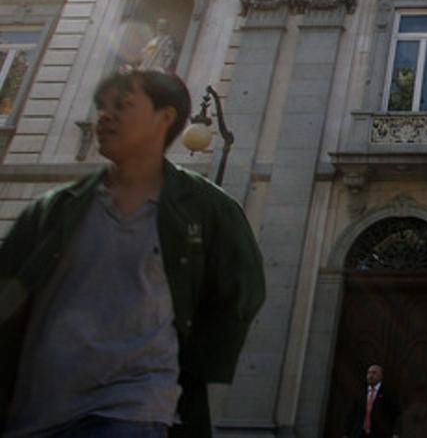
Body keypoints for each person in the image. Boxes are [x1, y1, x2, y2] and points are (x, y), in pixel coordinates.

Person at [0, 68, 265, 437]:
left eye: (123, 105)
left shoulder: (207, 209)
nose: (104, 115)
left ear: (165, 117)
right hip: (37, 411)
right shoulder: (55, 207)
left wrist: (186, 366)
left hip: (131, 411)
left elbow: (242, 289)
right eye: (101, 106)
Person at [343, 364, 400, 438]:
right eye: (369, 373)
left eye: (374, 373)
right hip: (360, 434)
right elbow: (352, 413)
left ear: (381, 376)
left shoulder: (388, 393)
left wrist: (396, 433)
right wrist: (346, 433)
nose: (370, 375)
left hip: (380, 434)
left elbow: (396, 414)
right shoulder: (361, 393)